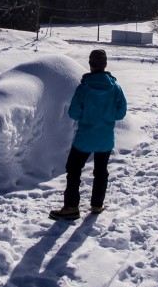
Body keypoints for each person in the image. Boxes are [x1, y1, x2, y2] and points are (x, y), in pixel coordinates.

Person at [50, 49, 127, 220]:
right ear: (105, 64)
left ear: (90, 64)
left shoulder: (83, 88)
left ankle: (71, 207)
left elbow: (73, 113)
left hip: (84, 139)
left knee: (74, 169)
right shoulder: (115, 88)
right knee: (101, 171)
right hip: (105, 139)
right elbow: (121, 114)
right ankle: (97, 205)